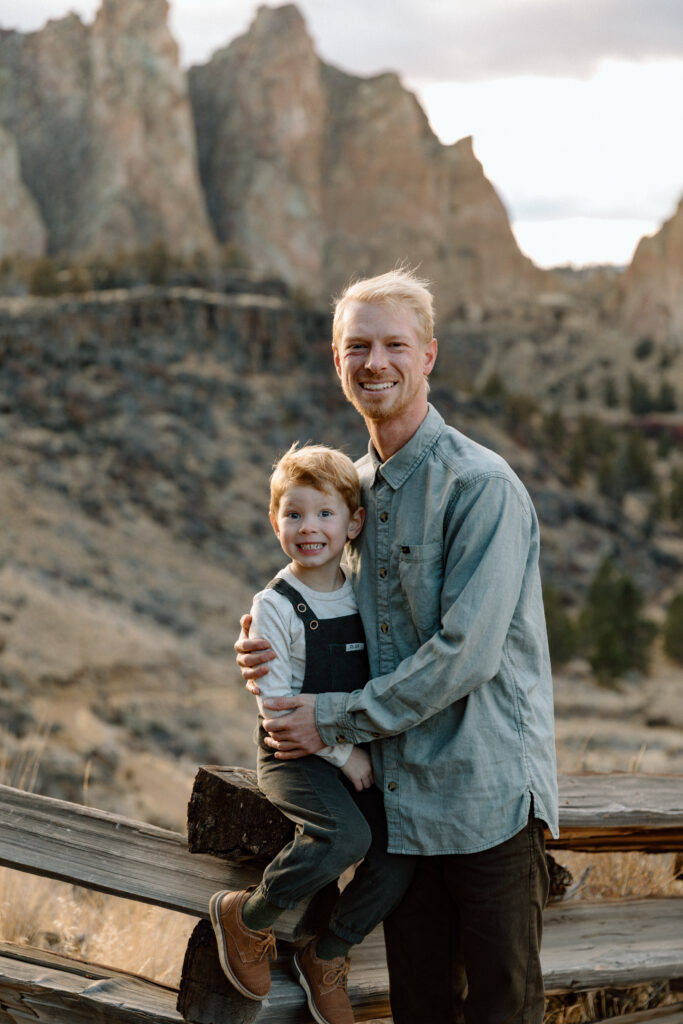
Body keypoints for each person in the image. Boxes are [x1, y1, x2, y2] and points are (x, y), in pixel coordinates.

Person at [236, 268, 559, 1024]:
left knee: (501, 1007)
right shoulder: (352, 493)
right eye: (357, 346)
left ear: (428, 356)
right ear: (336, 359)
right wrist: (259, 629)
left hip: (483, 798)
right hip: (400, 803)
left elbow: (466, 652)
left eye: (393, 345)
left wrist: (334, 719)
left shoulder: (481, 486)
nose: (374, 362)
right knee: (419, 1005)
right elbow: (312, 588)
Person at [210, 442, 416, 1024]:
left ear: (353, 523)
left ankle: (326, 952)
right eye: (294, 514)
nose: (309, 528)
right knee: (345, 838)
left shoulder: (361, 594)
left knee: (399, 854)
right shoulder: (275, 606)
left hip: (349, 748)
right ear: (275, 520)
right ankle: (248, 918)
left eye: (324, 514)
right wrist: (346, 754)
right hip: (294, 754)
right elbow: (277, 706)